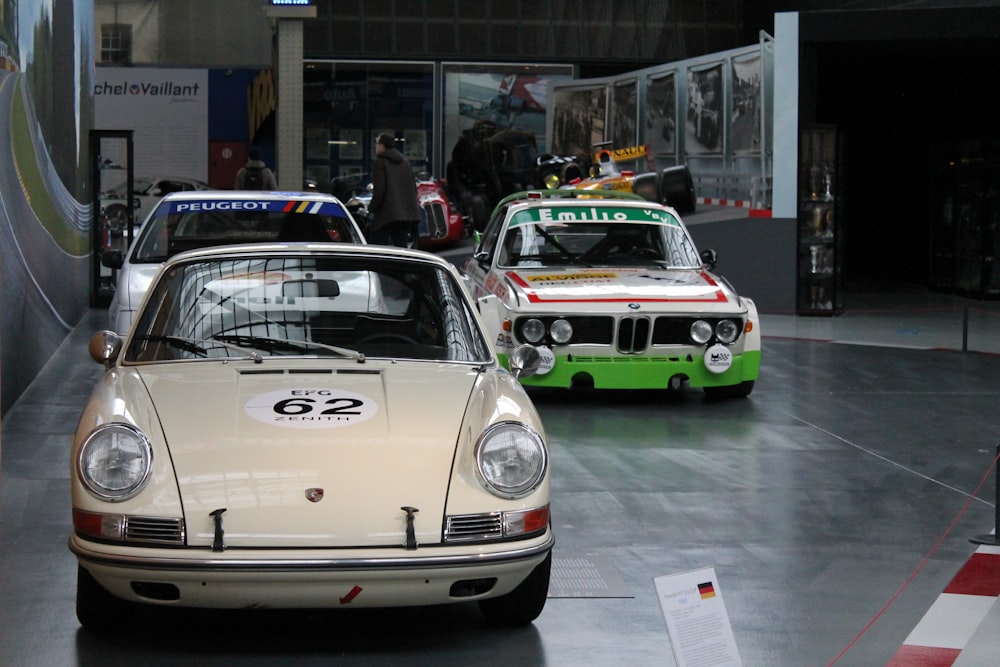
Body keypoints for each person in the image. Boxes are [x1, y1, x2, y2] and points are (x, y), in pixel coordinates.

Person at [368, 132, 420, 247]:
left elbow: (379, 192)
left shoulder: (379, 163)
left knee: (375, 247)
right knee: (401, 248)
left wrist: (371, 209)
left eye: (377, 143)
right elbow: (413, 189)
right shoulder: (405, 163)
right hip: (405, 216)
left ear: (382, 146)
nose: (375, 146)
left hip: (386, 216)